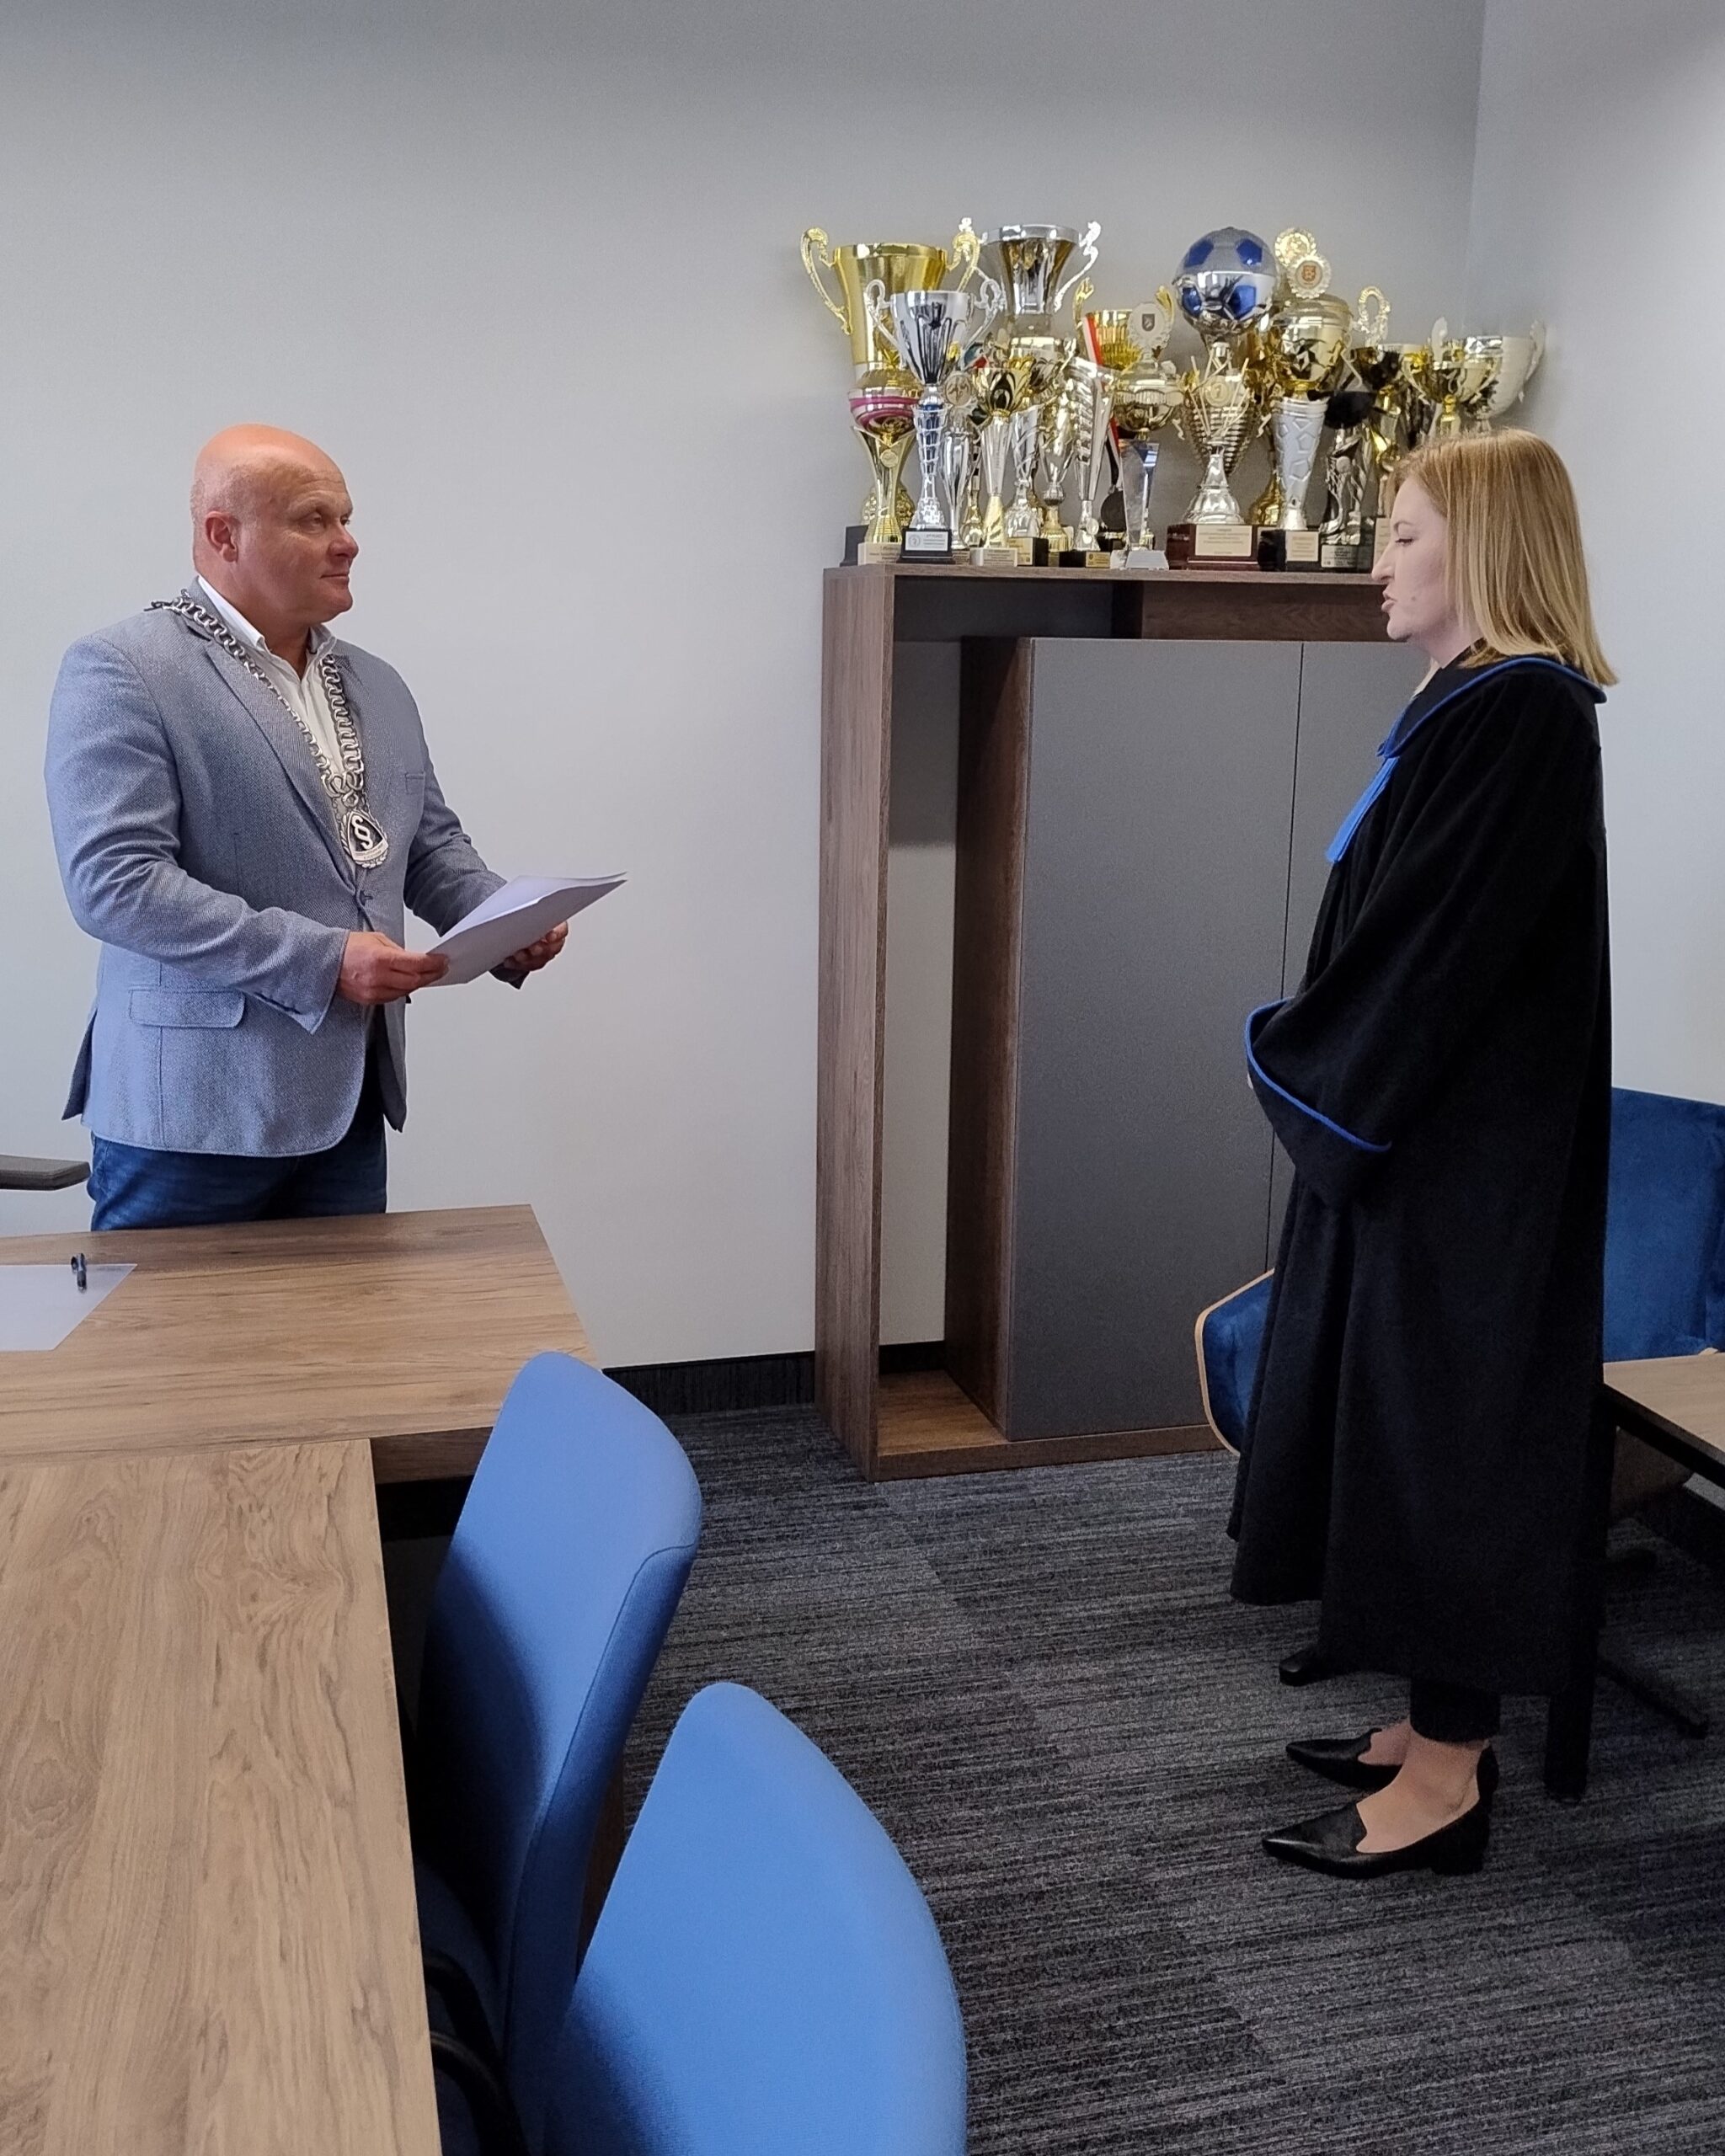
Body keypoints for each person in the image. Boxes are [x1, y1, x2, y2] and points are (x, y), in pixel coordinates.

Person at [1230, 429, 1614, 1879]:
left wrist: (1304, 1052)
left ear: (1484, 548)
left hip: (1465, 1172)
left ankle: (1447, 1780)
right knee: (1388, 1428)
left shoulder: (1521, 713)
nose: (1377, 567)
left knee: (1447, 1443)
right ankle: (1426, 1723)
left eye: (1401, 537)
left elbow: (1431, 953)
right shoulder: (1465, 704)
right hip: (1416, 1147)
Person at [45, 424, 567, 1229]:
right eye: (314, 520)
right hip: (192, 1119)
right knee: (180, 1322)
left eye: (346, 519)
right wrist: (324, 961)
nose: (347, 543)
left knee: (346, 1319)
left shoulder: (377, 683)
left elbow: (426, 846)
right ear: (225, 534)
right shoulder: (125, 669)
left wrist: (500, 919)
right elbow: (116, 886)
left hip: (347, 1106)